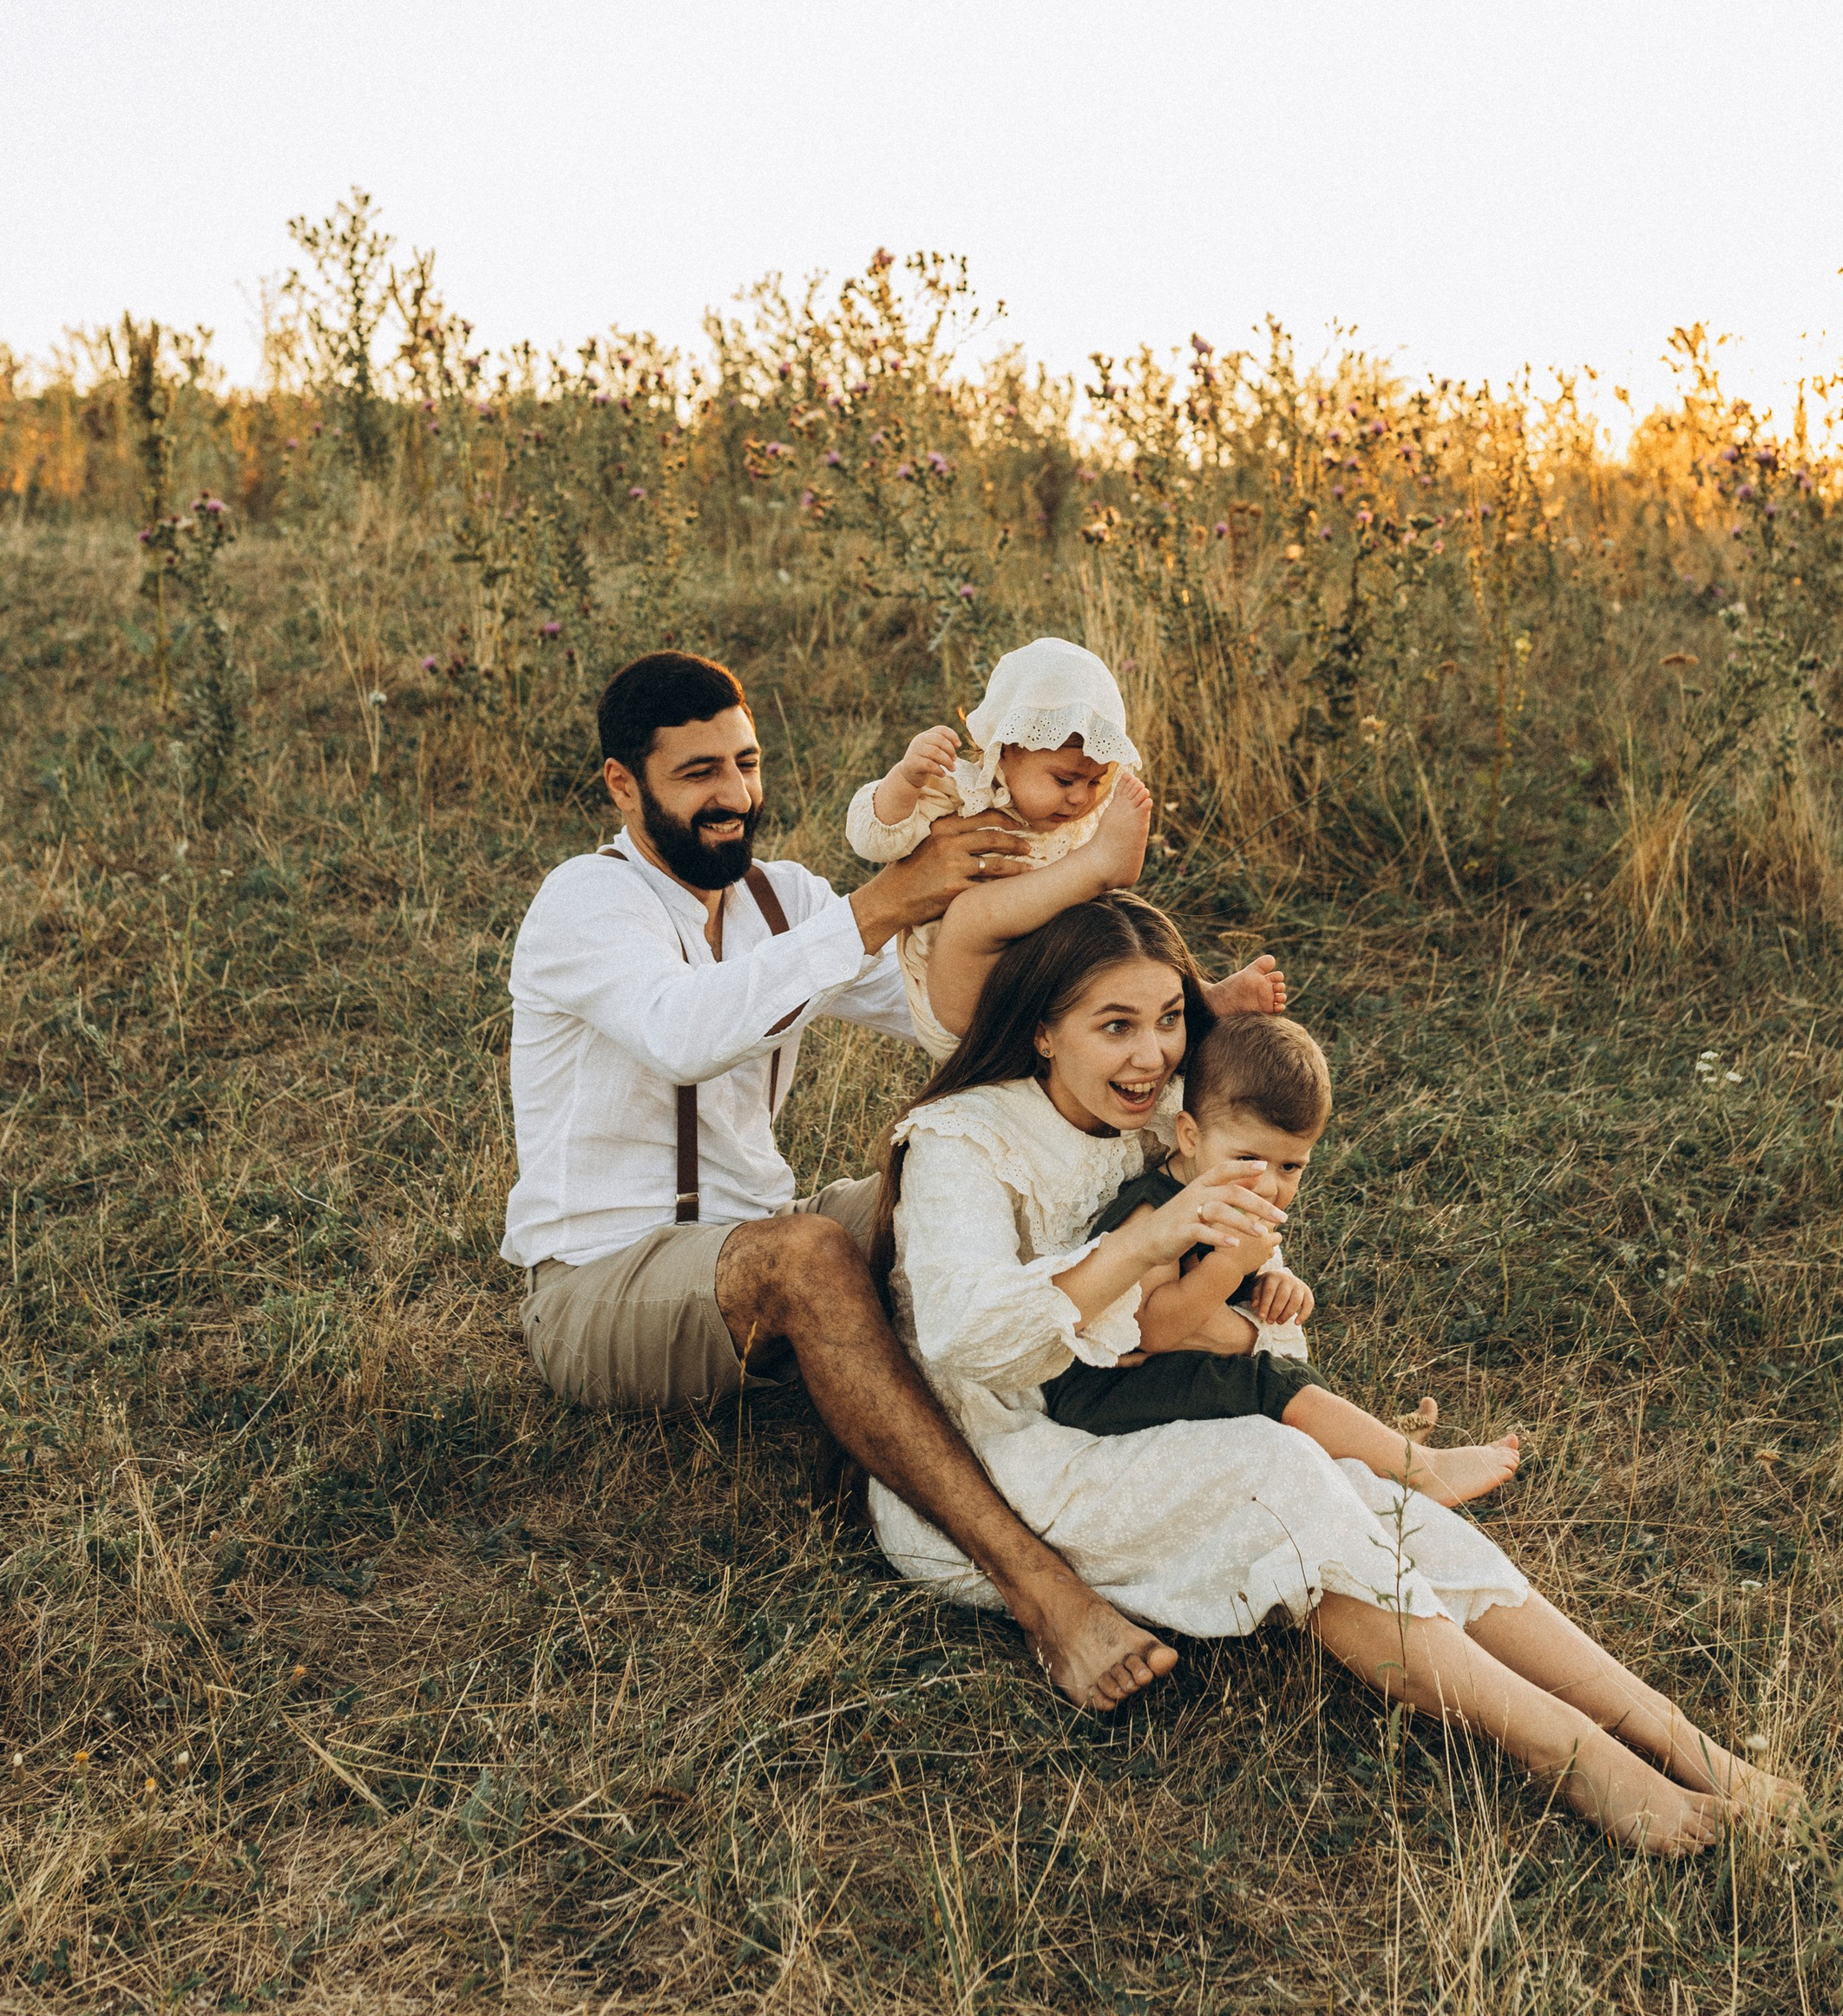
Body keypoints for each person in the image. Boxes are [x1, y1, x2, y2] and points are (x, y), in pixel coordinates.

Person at [870, 895, 1803, 1855]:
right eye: (1115, 1026)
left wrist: (1243, 1319)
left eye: (1168, 1020)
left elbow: (1209, 1293)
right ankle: (1582, 1763)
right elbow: (963, 1338)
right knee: (1290, 1479)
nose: (1151, 1056)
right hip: (1007, 1451)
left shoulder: (1161, 1121)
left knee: (1386, 1501)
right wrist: (1153, 1248)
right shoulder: (963, 1140)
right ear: (1041, 1031)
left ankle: (1680, 1741)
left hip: (1140, 1407)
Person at [502, 649, 1181, 1712]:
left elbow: (948, 1021)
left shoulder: (787, 901)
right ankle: (1041, 1589)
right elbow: (682, 1034)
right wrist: (878, 905)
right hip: (598, 1281)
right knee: (814, 1252)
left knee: (936, 1185)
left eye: (746, 764)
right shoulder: (584, 904)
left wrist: (1021, 909)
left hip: (755, 1234)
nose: (733, 797)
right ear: (623, 787)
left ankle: (1138, 1460)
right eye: (697, 776)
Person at [1042, 1010, 1525, 1513]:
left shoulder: (1229, 1197)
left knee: (1286, 1382)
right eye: (1251, 1160)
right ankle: (1419, 1472)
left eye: (1291, 1166)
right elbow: (1154, 1328)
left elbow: (1239, 1281)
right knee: (1272, 1383)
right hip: (1101, 1391)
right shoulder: (1156, 1210)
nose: (1270, 1184)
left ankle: (1381, 1451)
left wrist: (1274, 1279)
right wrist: (1231, 1267)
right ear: (1190, 1136)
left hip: (1167, 1371)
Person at [844, 633, 1285, 1059]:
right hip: (967, 997)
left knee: (1121, 924)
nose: (1081, 797)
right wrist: (904, 780)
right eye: (1064, 779)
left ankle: (1197, 999)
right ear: (1006, 750)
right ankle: (1099, 874)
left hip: (1056, 993)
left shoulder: (1079, 821)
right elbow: (873, 840)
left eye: (1096, 781)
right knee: (992, 911)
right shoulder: (959, 792)